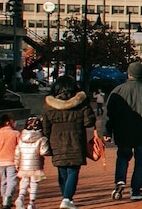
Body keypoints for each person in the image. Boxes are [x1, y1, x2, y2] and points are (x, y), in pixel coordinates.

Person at [100, 63, 142, 201]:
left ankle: (120, 180)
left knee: (122, 157)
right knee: (141, 161)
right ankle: (136, 190)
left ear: (128, 74)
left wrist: (106, 132)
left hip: (122, 131)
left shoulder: (117, 90)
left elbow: (108, 114)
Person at [42, 78, 95, 209]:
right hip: (76, 140)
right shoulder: (81, 102)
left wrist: (47, 140)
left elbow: (45, 127)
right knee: (73, 170)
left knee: (62, 170)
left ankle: (66, 197)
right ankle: (67, 198)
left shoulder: (49, 104)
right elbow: (89, 122)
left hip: (56, 141)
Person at [14, 117, 50, 209]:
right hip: (37, 165)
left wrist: (17, 164)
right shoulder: (41, 138)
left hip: (23, 165)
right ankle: (31, 203)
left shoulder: (21, 138)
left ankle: (21, 197)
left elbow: (17, 153)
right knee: (35, 182)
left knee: (24, 180)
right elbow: (44, 152)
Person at [0, 114, 21, 209]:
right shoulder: (16, 133)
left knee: (4, 181)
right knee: (12, 180)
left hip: (0, 162)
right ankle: (7, 199)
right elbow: (20, 147)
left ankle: (4, 199)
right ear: (8, 123)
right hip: (12, 161)